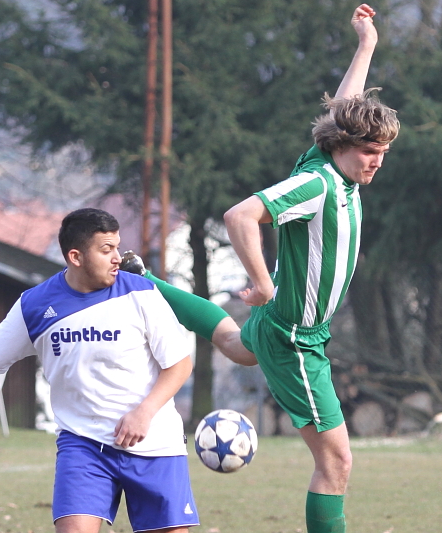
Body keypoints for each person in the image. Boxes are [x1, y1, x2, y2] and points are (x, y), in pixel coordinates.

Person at [123, 6, 399, 533]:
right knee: (336, 462)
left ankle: (144, 281)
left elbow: (345, 108)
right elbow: (240, 216)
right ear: (342, 145)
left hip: (287, 327)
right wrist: (264, 282)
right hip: (296, 337)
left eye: (383, 151)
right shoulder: (317, 183)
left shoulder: (328, 162)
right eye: (370, 151)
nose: (377, 161)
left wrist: (366, 46)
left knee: (237, 346)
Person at [0, 208, 198, 533]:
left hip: (155, 444)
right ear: (75, 257)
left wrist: (144, 412)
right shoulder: (35, 305)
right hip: (84, 445)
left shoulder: (141, 293)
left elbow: (179, 364)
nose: (117, 258)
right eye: (106, 249)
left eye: (117, 247)